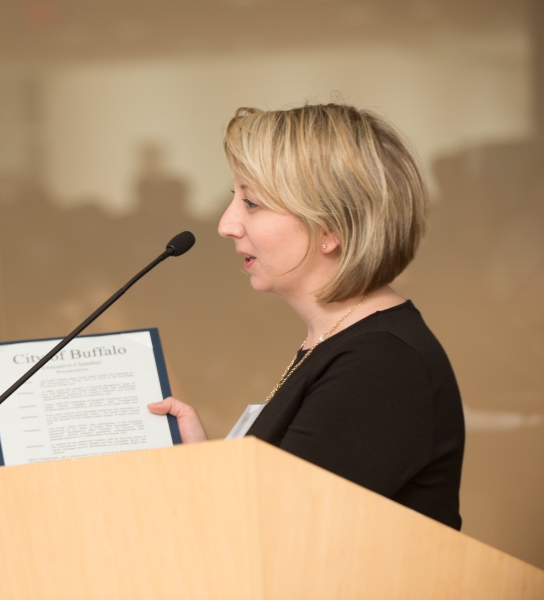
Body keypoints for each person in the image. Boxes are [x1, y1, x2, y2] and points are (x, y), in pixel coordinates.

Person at [148, 104, 464, 530]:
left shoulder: (381, 365)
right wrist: (199, 463)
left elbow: (273, 536)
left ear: (332, 228)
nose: (226, 225)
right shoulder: (340, 341)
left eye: (252, 203)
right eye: (233, 198)